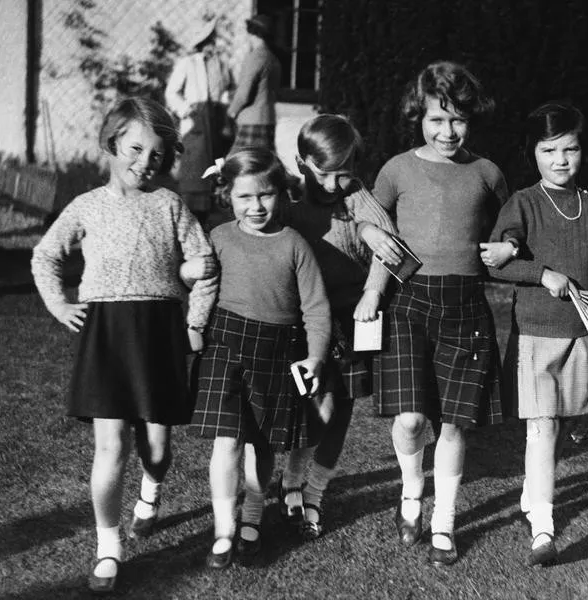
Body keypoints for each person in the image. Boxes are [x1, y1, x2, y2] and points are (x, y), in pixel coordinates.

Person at [30, 97, 216, 594]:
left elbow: (205, 262)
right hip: (107, 335)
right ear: (112, 144)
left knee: (156, 447)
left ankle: (151, 494)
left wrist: (195, 322)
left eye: (156, 156)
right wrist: (60, 305)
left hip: (159, 332)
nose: (144, 163)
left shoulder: (170, 204)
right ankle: (107, 546)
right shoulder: (86, 205)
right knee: (111, 445)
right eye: (135, 149)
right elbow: (45, 255)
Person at [371, 61, 509, 566]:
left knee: (454, 423)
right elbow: (368, 216)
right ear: (419, 118)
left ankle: (444, 520)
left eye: (457, 120)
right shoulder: (397, 169)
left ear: (471, 120)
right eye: (436, 120)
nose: (447, 131)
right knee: (410, 420)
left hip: (467, 305)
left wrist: (509, 247)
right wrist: (367, 235)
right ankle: (412, 492)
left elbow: (514, 225)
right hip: (409, 302)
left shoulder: (488, 173)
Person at [186, 147, 331, 569]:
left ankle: (251, 515)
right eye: (244, 197)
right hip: (226, 346)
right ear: (227, 195)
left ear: (281, 194)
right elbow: (201, 288)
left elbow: (316, 308)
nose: (255, 207)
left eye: (264, 196)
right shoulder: (217, 236)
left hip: (276, 349)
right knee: (227, 439)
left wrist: (316, 356)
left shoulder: (294, 245)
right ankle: (223, 531)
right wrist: (193, 326)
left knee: (263, 443)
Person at [485, 102, 588, 567]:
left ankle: (532, 494)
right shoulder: (523, 203)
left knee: (564, 422)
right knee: (541, 426)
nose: (561, 160)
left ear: (582, 151)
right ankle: (543, 528)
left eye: (570, 149)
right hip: (537, 332)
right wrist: (542, 275)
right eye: (549, 150)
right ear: (532, 153)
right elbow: (498, 261)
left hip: (581, 334)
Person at [275, 114, 401, 540]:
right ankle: (291, 478)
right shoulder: (289, 199)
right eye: (323, 173)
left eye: (342, 174)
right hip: (308, 318)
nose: (332, 185)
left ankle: (315, 491)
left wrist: (372, 293)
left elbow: (389, 243)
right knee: (315, 405)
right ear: (300, 162)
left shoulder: (356, 195)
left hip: (354, 316)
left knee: (341, 408)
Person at [165, 18, 235, 221]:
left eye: (213, 40)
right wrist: (186, 109)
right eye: (207, 41)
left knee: (215, 165)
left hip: (216, 120)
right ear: (200, 44)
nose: (211, 46)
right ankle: (190, 213)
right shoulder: (188, 64)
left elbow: (230, 88)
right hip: (195, 121)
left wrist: (224, 106)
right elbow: (172, 92)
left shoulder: (222, 64)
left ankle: (211, 212)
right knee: (194, 166)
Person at [227, 14, 282, 153]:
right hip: (269, 119)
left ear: (252, 33)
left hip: (251, 121)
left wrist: (231, 112)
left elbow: (244, 94)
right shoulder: (274, 59)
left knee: (237, 164)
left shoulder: (255, 58)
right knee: (263, 164)